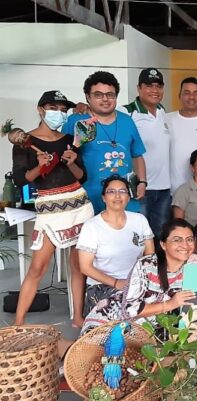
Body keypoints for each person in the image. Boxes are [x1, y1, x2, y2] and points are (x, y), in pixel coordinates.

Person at [10, 90, 94, 327]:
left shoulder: (70, 140)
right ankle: (18, 322)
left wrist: (70, 161)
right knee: (38, 266)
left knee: (78, 265)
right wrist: (38, 166)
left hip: (78, 203)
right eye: (53, 108)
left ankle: (78, 316)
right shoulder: (25, 143)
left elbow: (82, 175)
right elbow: (21, 179)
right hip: (49, 206)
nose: (58, 113)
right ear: (40, 110)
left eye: (62, 109)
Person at [81, 219, 197, 334]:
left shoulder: (195, 262)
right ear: (163, 244)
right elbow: (131, 310)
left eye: (189, 239)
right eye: (177, 240)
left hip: (160, 325)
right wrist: (171, 304)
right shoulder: (146, 265)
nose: (185, 245)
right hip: (117, 320)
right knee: (99, 351)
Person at [62, 71, 147, 214]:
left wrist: (143, 182)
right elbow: (64, 157)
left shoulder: (127, 121)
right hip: (88, 200)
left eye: (110, 94)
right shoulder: (76, 122)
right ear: (88, 97)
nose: (105, 99)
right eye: (98, 95)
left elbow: (137, 155)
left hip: (125, 201)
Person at [77, 176, 155, 325]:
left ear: (128, 196)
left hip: (136, 283)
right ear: (104, 198)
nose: (117, 196)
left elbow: (150, 256)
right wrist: (117, 282)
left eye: (122, 191)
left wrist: (144, 282)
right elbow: (85, 267)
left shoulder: (139, 220)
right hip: (102, 286)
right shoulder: (92, 226)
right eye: (111, 191)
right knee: (121, 318)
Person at [118, 68, 171, 237]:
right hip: (140, 189)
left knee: (160, 237)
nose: (154, 90)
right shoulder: (126, 112)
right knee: (138, 237)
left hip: (163, 189)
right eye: (149, 86)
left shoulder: (162, 111)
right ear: (139, 88)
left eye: (158, 86)